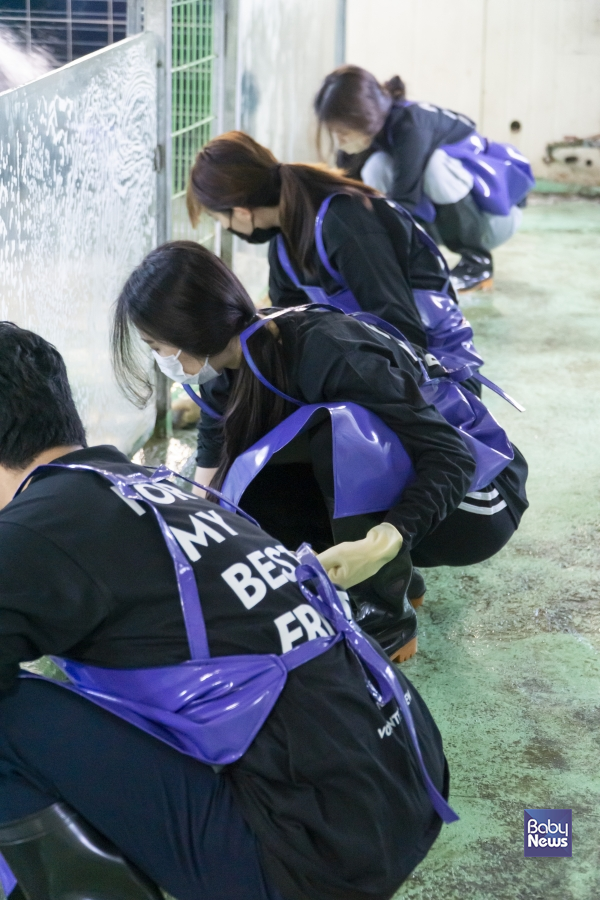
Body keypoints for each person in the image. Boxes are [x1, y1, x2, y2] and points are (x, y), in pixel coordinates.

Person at [0, 321, 453, 900]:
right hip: (404, 790)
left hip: (309, 860)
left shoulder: (38, 531)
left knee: (11, 717)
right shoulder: (158, 487)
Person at [112, 241, 529, 664]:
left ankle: (383, 616)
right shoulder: (231, 369)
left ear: (188, 334)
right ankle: (390, 578)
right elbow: (211, 485)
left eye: (156, 345)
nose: (157, 358)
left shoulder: (328, 350)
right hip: (426, 495)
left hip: (478, 501)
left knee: (338, 429)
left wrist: (383, 541)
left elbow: (452, 457)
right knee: (245, 479)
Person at [187, 130, 457, 353]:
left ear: (241, 211)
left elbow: (403, 333)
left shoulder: (347, 222)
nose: (223, 227)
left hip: (436, 366)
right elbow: (285, 329)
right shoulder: (283, 242)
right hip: (377, 356)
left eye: (215, 217)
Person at [314, 65, 535, 293]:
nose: (338, 139)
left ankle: (477, 263)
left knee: (435, 165)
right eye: (334, 130)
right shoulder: (374, 132)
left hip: (493, 221)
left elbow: (404, 201)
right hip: (447, 226)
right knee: (375, 167)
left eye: (342, 130)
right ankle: (418, 264)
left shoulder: (411, 124)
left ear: (363, 117)